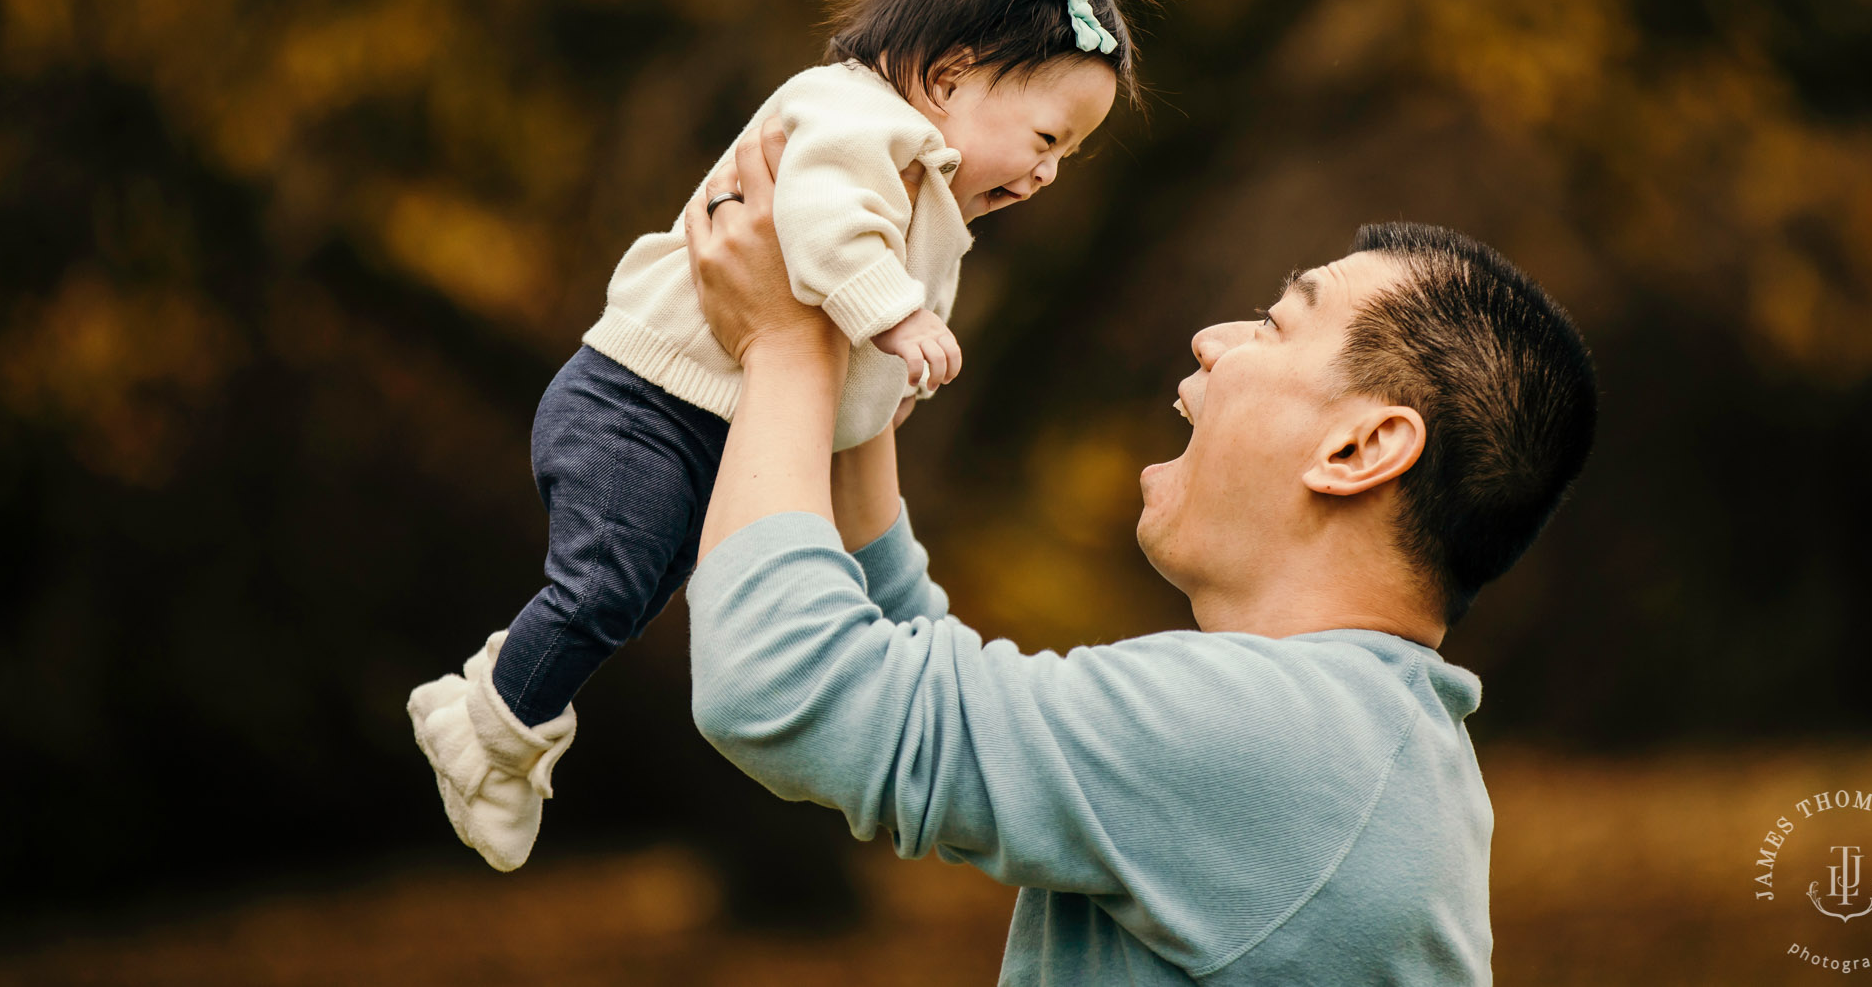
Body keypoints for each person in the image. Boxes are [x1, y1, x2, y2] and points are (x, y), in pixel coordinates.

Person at [681, 124, 1598, 984]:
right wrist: (861, 386)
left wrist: (783, 348)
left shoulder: (1277, 737)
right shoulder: (1351, 737)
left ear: (1359, 449)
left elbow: (783, 683)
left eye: (1277, 323)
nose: (1212, 338)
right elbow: (926, 692)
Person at [407, 0, 1166, 872]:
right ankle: (491, 736)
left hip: (695, 421)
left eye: (1069, 155)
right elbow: (818, 226)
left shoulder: (921, 179)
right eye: (1047, 136)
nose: (1050, 171)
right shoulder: (857, 120)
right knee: (606, 590)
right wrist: (894, 318)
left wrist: (882, 380)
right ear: (947, 76)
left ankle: (486, 706)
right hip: (637, 402)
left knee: (633, 592)